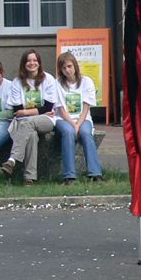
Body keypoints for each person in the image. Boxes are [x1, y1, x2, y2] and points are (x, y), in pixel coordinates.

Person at [1, 49, 59, 185]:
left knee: (29, 123)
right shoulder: (17, 82)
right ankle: (29, 178)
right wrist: (37, 111)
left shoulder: (48, 79)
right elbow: (17, 109)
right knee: (31, 135)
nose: (32, 63)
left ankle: (13, 159)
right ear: (24, 63)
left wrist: (27, 112)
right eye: (28, 60)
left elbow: (48, 107)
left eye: (35, 60)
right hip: (27, 122)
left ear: (39, 63)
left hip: (47, 120)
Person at [54, 52, 104, 185]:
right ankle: (69, 176)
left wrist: (78, 124)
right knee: (68, 132)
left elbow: (86, 107)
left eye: (69, 66)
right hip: (63, 119)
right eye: (64, 68)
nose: (67, 70)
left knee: (86, 133)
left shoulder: (87, 81)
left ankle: (95, 173)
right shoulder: (57, 83)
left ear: (75, 65)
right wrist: (73, 125)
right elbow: (61, 109)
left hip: (83, 118)